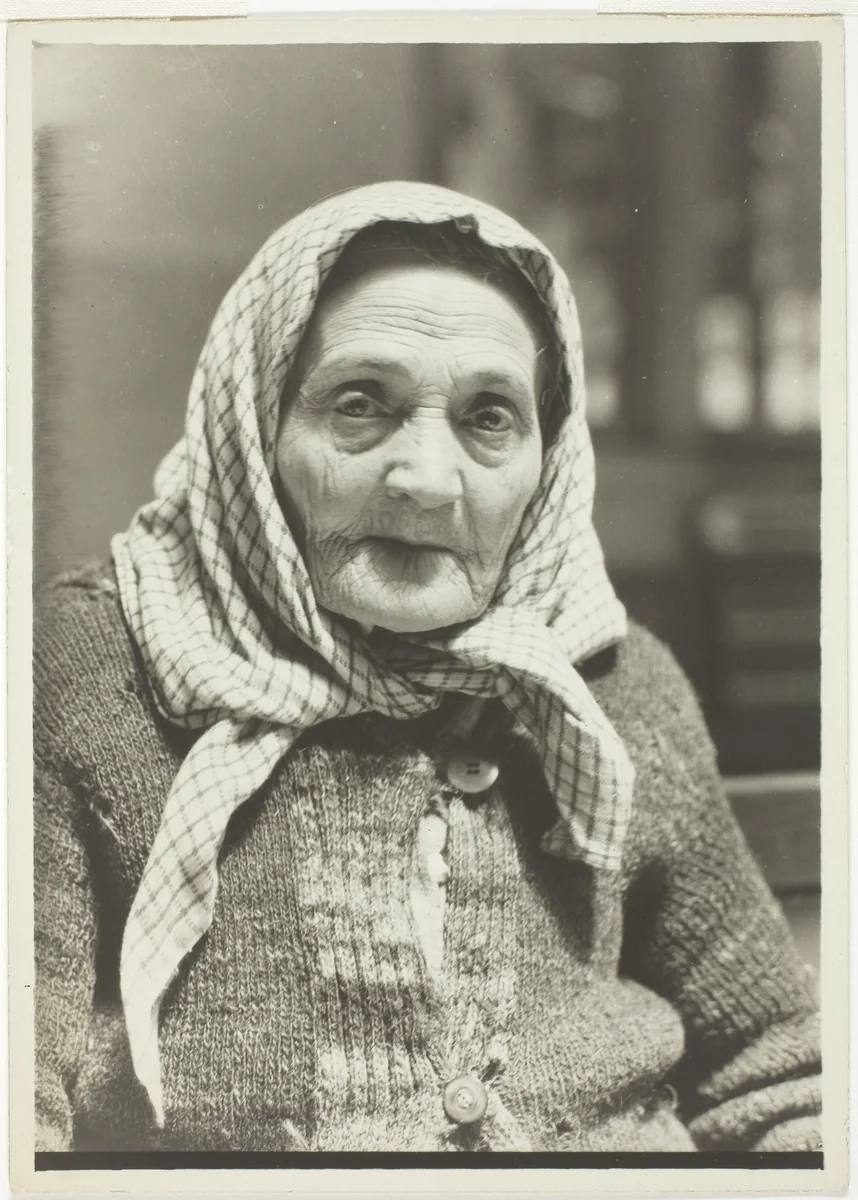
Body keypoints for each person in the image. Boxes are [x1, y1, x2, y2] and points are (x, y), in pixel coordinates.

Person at [34, 181, 821, 1154]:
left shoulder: (607, 680)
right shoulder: (98, 663)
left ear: (549, 459)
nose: (427, 480)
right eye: (360, 405)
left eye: (490, 418)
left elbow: (781, 1071)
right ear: (255, 429)